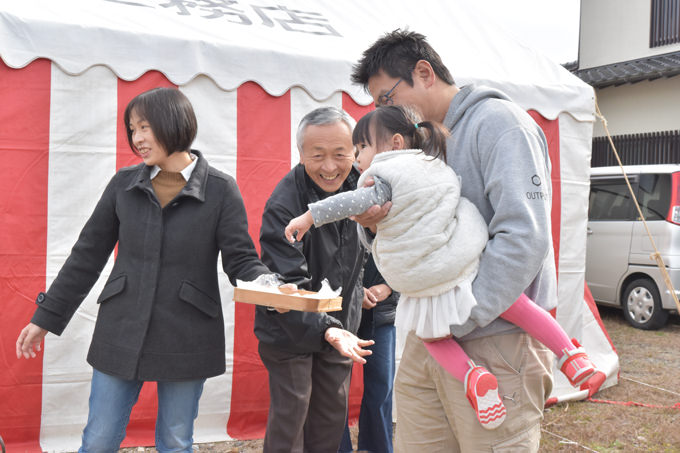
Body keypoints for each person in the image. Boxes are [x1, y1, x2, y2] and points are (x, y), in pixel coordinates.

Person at [348, 30, 606, 451]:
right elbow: (413, 228)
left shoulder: (500, 124)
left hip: (495, 337)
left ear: (424, 73)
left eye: (386, 99)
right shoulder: (419, 142)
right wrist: (373, 224)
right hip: (430, 338)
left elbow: (524, 238)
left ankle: (569, 353)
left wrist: (458, 315)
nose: (383, 112)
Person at [286, 104, 598, 430]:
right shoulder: (435, 163)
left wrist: (310, 217)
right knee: (516, 304)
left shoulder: (382, 177)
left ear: (394, 144)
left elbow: (348, 203)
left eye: (361, 147)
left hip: (431, 275)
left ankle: (472, 376)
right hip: (464, 255)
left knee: (434, 337)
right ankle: (569, 353)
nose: (357, 155)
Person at [15, 87, 287, 453]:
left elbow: (240, 259)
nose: (137, 139)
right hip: (121, 327)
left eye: (144, 127)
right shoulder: (123, 185)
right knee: (98, 440)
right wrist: (45, 317)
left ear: (174, 123)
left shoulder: (221, 189)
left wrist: (270, 287)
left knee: (175, 442)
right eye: (132, 129)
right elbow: (86, 256)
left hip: (189, 332)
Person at [254, 106, 374, 453]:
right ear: (301, 154)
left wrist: (363, 290)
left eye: (340, 154)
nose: (330, 167)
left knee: (329, 421)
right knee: (291, 419)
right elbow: (290, 279)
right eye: (317, 155)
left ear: (355, 151)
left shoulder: (362, 187)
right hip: (289, 328)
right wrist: (326, 327)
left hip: (341, 323)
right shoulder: (285, 203)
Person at [338, 254, 398, 453]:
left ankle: (377, 448)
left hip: (382, 312)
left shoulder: (396, 222)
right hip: (338, 312)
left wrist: (390, 287)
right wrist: (354, 291)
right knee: (334, 389)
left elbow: (411, 261)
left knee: (382, 387)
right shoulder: (334, 221)